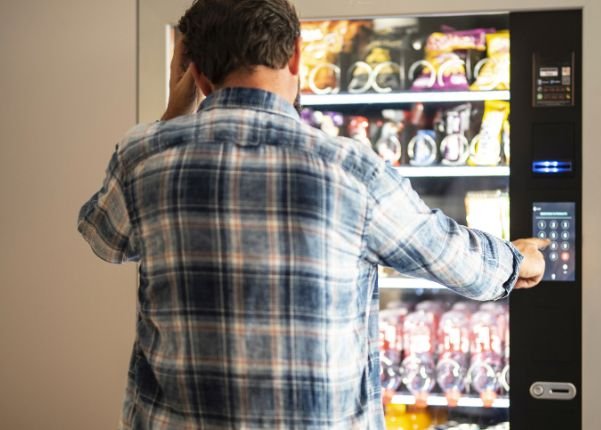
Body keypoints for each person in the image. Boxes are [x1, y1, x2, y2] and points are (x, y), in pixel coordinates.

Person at [77, 0, 548, 428]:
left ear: (192, 73)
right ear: (297, 58)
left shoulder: (143, 155)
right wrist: (517, 259)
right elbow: (453, 258)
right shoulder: (352, 169)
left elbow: (106, 240)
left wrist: (170, 120)